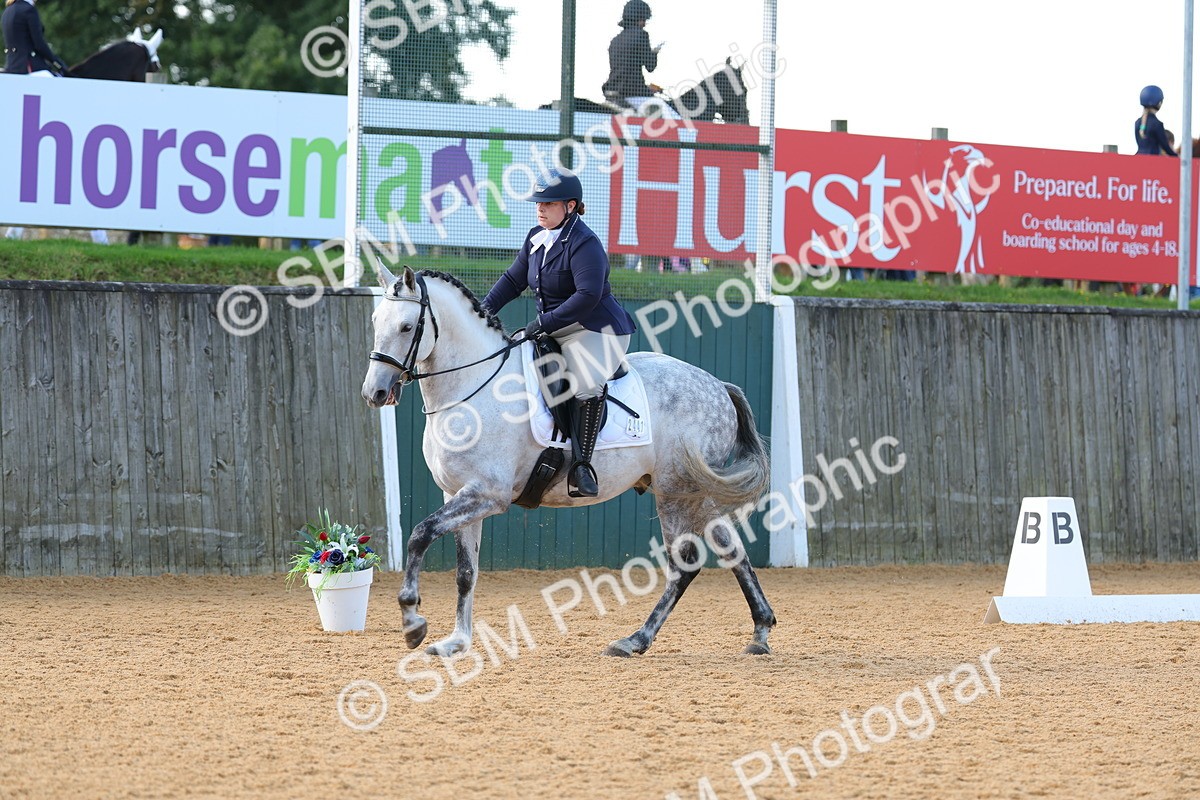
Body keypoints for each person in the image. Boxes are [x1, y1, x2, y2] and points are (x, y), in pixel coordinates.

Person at [482, 169, 636, 498]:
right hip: (555, 326)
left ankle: (582, 467)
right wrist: (482, 312)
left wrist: (545, 322)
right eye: (537, 203)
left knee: (585, 382)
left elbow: (587, 295)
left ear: (569, 206)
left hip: (597, 329)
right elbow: (512, 281)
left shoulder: (585, 244)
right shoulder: (537, 238)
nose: (539, 209)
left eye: (547, 203)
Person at [602, 0, 665, 114]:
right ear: (639, 18)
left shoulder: (614, 41)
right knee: (667, 114)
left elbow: (625, 70)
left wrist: (647, 88)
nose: (644, 23)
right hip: (630, 93)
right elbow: (650, 67)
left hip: (612, 90)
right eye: (644, 20)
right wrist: (654, 52)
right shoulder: (642, 35)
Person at [2, 0, 70, 75]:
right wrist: (58, 64)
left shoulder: (7, 11)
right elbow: (39, 44)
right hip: (29, 66)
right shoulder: (29, 10)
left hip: (11, 66)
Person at [1134, 85, 1177, 157]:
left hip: (1138, 158)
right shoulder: (1157, 124)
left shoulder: (1137, 122)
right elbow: (1165, 145)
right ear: (1159, 103)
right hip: (1153, 161)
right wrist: (1176, 156)